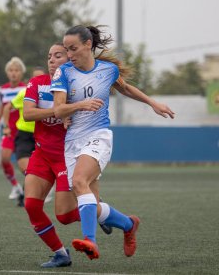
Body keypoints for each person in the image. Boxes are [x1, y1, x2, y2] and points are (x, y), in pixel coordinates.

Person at [51, 25, 175, 260]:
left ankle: (90, 241)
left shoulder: (107, 70)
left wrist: (153, 103)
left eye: (73, 48)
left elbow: (125, 88)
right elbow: (58, 110)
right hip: (73, 142)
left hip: (99, 135)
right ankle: (128, 224)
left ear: (88, 45)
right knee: (91, 205)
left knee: (79, 181)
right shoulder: (63, 73)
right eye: (67, 49)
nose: (69, 55)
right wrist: (80, 105)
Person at [22, 42, 112, 268]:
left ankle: (102, 212)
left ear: (70, 59)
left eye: (58, 55)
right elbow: (28, 114)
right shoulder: (37, 83)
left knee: (63, 215)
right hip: (42, 154)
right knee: (31, 205)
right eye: (49, 56)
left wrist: (73, 109)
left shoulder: (77, 85)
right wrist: (59, 111)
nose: (51, 60)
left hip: (66, 154)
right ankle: (61, 253)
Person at [0, 57, 27, 200]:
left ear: (21, 73)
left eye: (16, 70)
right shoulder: (3, 89)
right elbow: (2, 107)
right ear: (7, 73)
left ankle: (35, 188)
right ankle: (15, 186)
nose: (14, 73)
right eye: (11, 70)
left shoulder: (25, 88)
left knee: (26, 164)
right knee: (4, 159)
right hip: (8, 130)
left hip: (22, 130)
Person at [2, 87, 35, 206]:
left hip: (42, 136)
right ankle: (25, 191)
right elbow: (7, 107)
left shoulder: (51, 92)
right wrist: (6, 126)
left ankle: (28, 195)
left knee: (36, 171)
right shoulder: (24, 93)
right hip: (24, 136)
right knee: (27, 169)